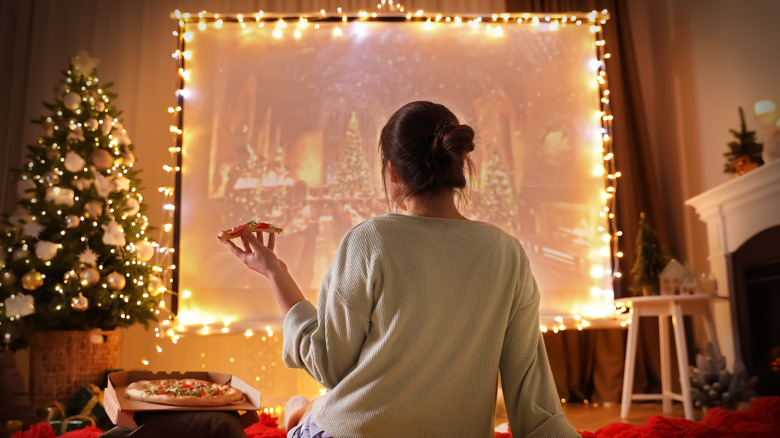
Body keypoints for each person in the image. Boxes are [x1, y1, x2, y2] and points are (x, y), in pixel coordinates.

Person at [222, 101, 579, 438]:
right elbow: (535, 406)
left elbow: (331, 367)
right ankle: (301, 410)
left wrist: (275, 273)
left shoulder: (370, 239)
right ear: (457, 165)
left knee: (316, 409)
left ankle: (298, 412)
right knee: (315, 407)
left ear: (391, 169)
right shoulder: (507, 253)